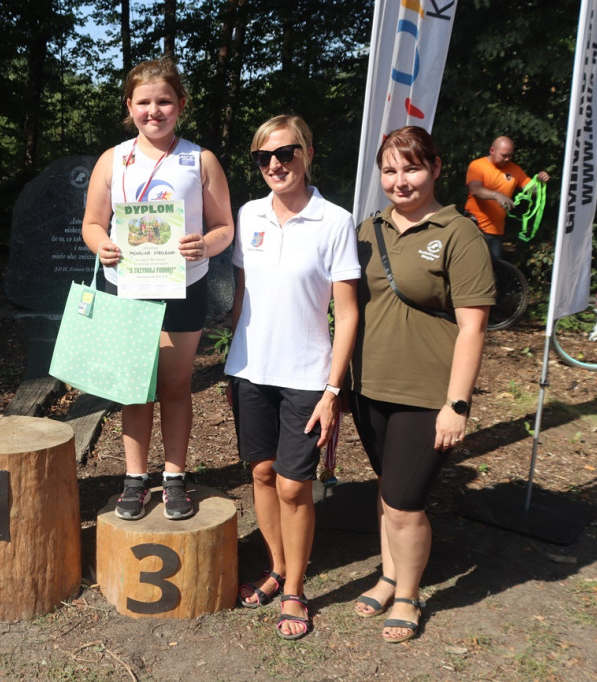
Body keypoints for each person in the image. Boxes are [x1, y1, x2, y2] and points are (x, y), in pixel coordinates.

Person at [352, 126, 495, 642]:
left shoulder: (460, 233)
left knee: (406, 501)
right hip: (368, 386)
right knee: (388, 490)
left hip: (426, 392)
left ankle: (409, 596)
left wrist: (457, 403)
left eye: (410, 168)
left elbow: (473, 326)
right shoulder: (368, 230)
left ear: (435, 168)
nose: (400, 180)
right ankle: (389, 575)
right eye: (389, 170)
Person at [224, 115, 359, 640]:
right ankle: (277, 568)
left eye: (286, 153)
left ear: (307, 153)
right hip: (250, 370)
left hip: (307, 375)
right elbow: (242, 298)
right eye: (264, 157)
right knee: (260, 474)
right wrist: (230, 362)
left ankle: (298, 588)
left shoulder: (335, 221)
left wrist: (333, 389)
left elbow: (346, 315)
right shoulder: (249, 213)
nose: (276, 164)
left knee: (293, 484)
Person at [81, 59, 234, 521]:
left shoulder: (199, 159)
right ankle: (134, 478)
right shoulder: (114, 159)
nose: (154, 111)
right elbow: (91, 223)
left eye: (164, 101)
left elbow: (225, 226)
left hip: (183, 286)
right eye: (144, 102)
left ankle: (173, 476)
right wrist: (102, 244)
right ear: (129, 107)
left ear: (180, 105)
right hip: (128, 286)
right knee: (133, 389)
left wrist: (204, 244)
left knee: (174, 385)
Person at [464, 135, 550, 261]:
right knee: (470, 267)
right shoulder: (477, 166)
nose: (507, 159)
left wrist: (540, 182)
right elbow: (475, 189)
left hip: (496, 231)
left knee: (492, 272)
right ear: (492, 150)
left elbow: (532, 191)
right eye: (504, 155)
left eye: (510, 155)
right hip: (474, 227)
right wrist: (496, 195)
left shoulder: (515, 170)